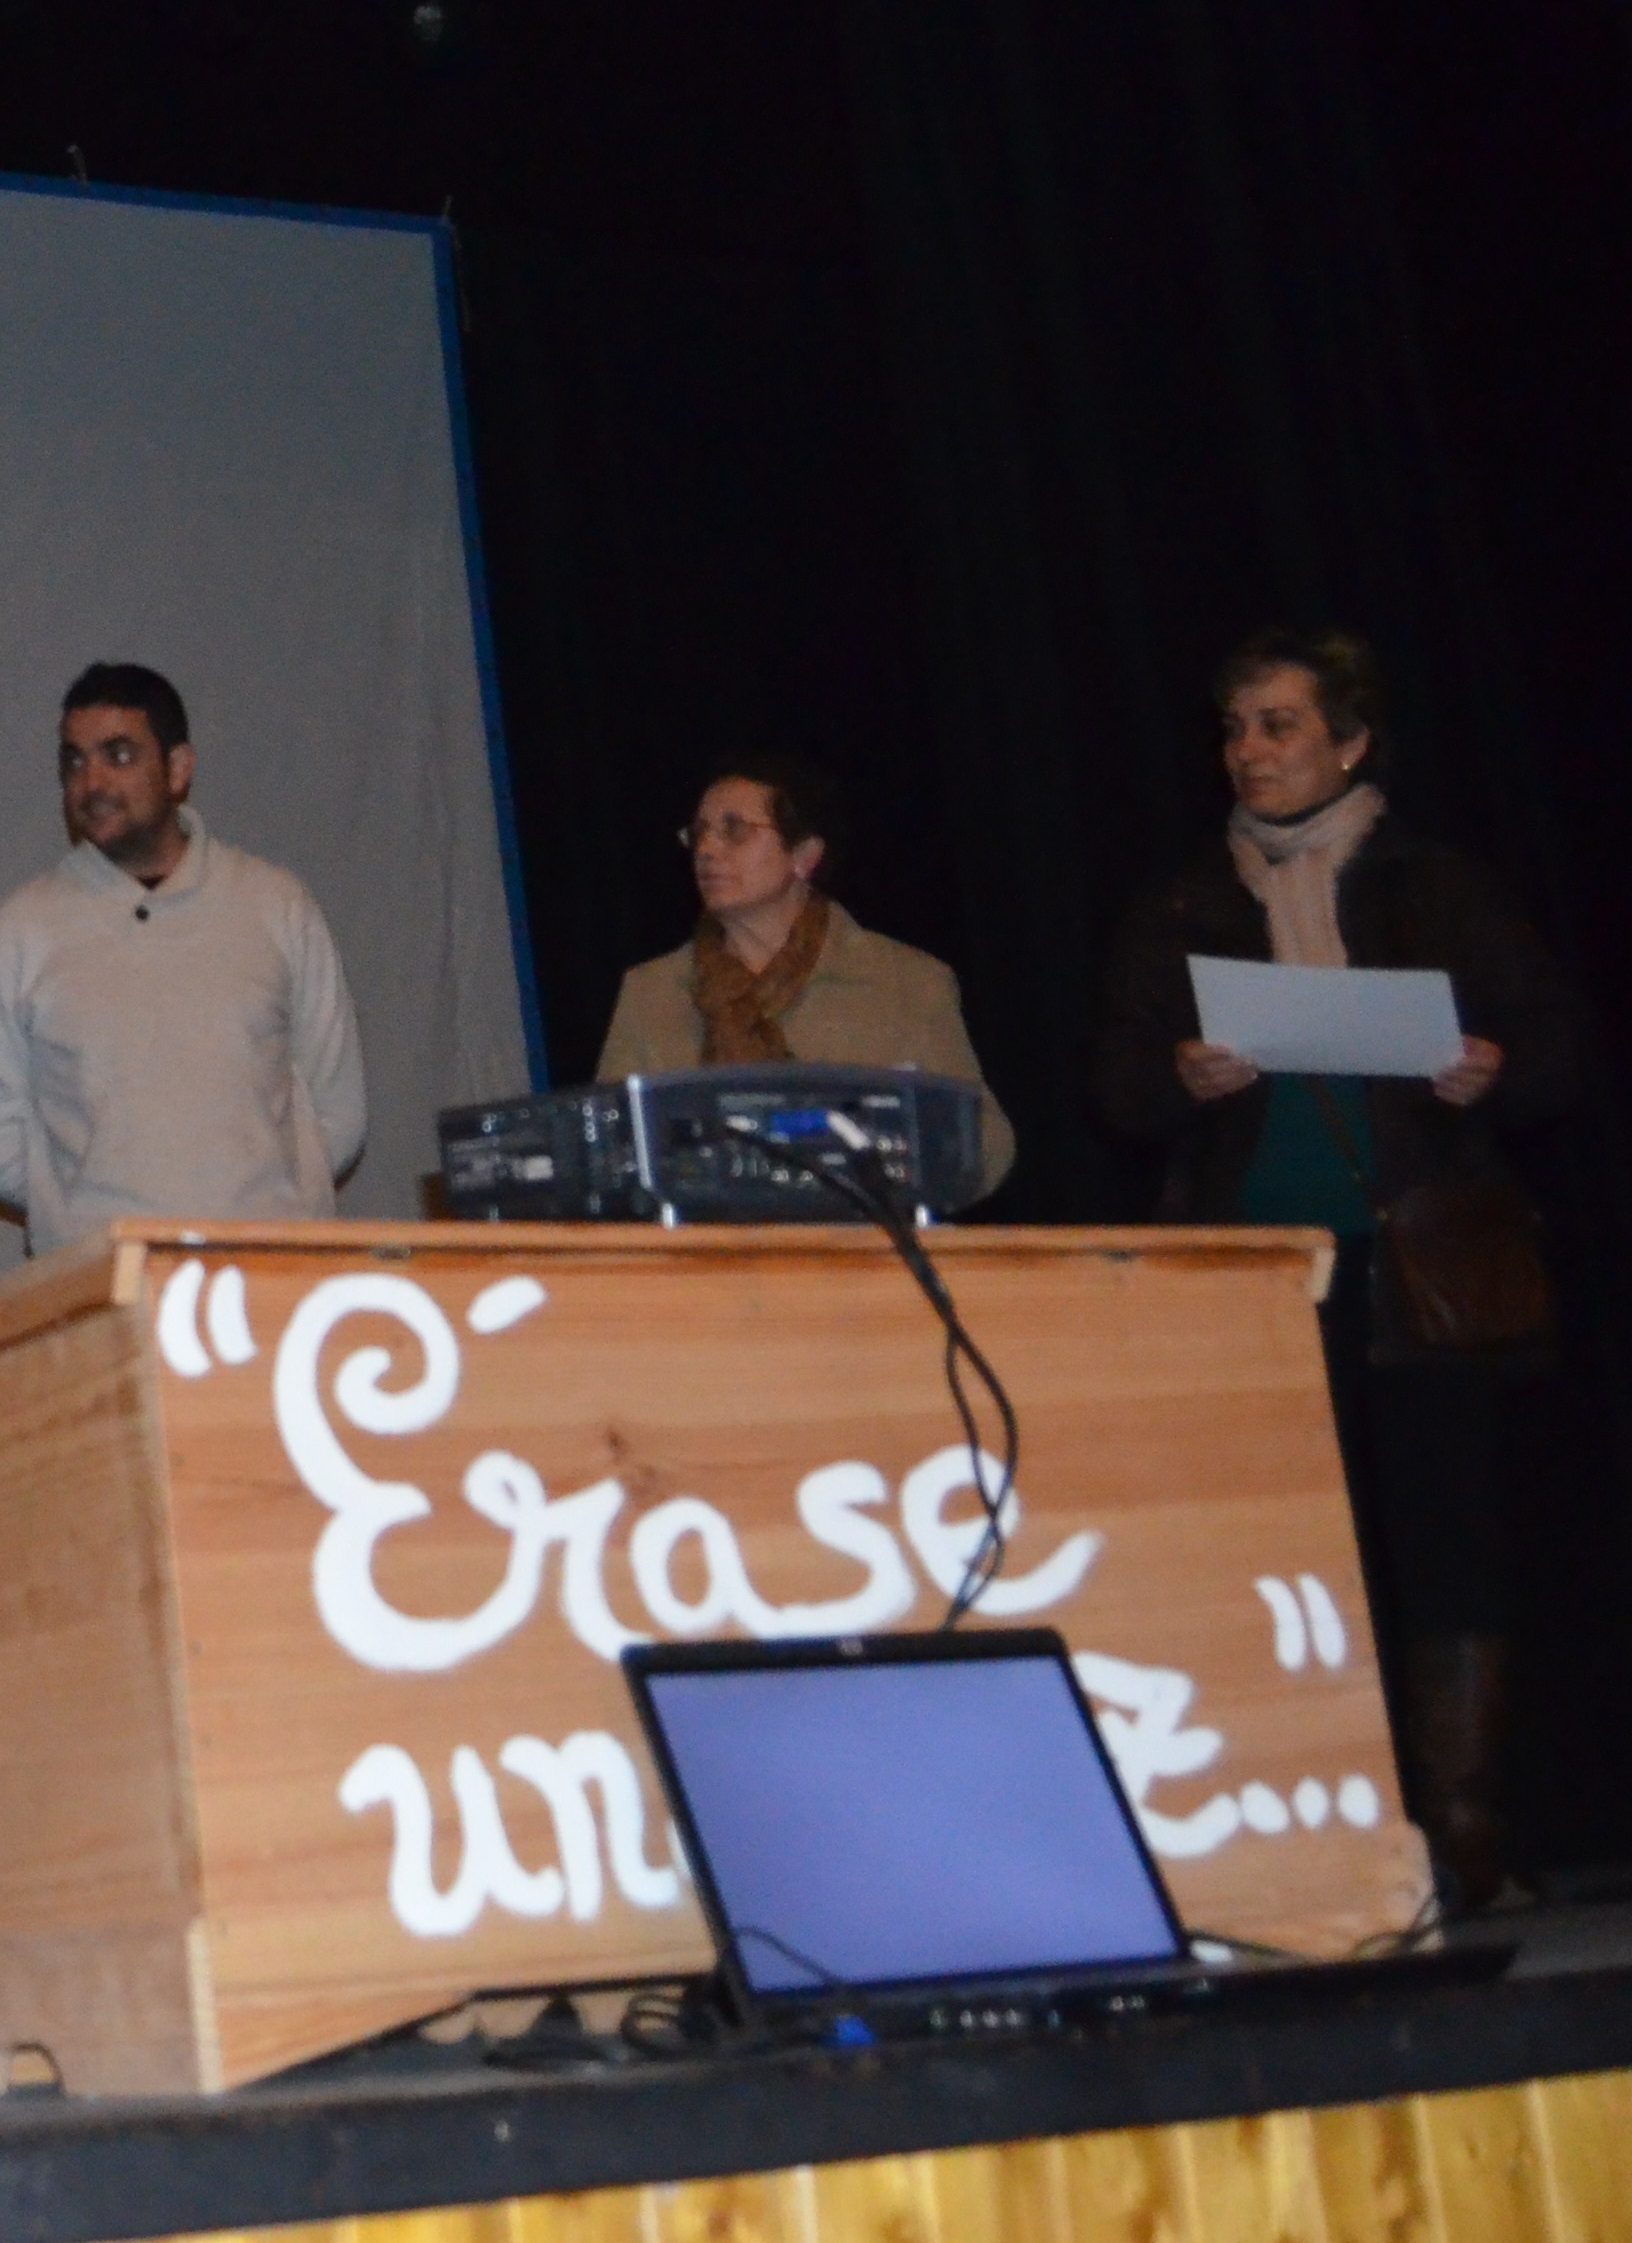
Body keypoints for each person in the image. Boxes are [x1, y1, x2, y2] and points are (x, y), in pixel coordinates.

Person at [1092, 630, 1581, 1902]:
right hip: (1255, 1277)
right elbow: (1116, 1084)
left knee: (1448, 1543)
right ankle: (1305, 1827)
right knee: (1285, 1557)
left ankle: (1464, 1830)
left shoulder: (1435, 883)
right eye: (1235, 728)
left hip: (1421, 1259)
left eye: (1278, 725)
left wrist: (1495, 1069)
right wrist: (1178, 1078)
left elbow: (1556, 1048)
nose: (1248, 750)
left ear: (1349, 742)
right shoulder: (1183, 898)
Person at [0, 662, 369, 1257]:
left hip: (271, 1277)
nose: (92, 781)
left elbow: (339, 1113)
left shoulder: (275, 905)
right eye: (74, 760)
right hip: (105, 1289)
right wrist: (82, 1219)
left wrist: (262, 1208)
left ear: (179, 769)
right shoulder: (19, 932)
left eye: (118, 755)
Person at [595, 754, 1015, 1199]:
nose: (707, 850)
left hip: (863, 1252)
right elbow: (606, 1152)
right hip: (708, 1258)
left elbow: (984, 1144)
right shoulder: (651, 991)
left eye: (734, 830)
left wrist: (890, 1146)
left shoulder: (906, 982)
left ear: (804, 856)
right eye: (698, 833)